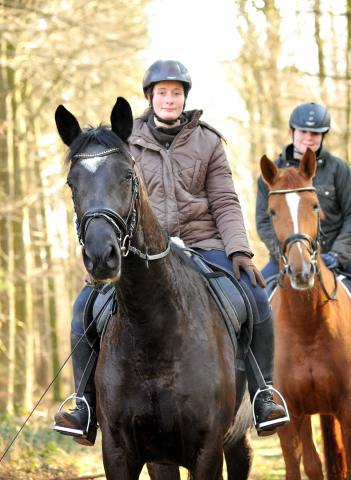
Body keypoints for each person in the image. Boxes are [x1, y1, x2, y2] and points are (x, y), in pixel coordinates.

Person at [54, 60, 288, 446]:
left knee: (256, 298)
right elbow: (103, 195)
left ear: (184, 98)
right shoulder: (123, 142)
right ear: (150, 97)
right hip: (142, 253)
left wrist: (240, 251)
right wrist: (103, 249)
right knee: (84, 308)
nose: (169, 99)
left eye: (176, 92)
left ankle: (264, 396)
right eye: (161, 92)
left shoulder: (209, 142)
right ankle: (84, 404)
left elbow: (225, 201)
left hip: (202, 244)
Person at [256, 101, 351, 279]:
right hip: (286, 256)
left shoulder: (340, 170)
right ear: (292, 132)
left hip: (335, 255)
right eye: (303, 132)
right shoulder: (271, 173)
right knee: (255, 295)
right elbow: (263, 221)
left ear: (323, 136)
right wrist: (284, 254)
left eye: (315, 133)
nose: (308, 138)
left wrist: (338, 255)